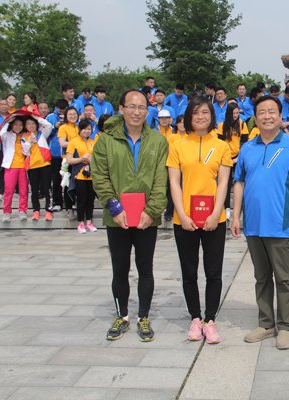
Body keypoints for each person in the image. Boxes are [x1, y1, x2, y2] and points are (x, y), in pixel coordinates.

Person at [230, 96, 289, 350]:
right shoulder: (247, 148)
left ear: (280, 115)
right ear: (255, 117)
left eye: (272, 111)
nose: (267, 116)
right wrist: (235, 215)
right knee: (261, 276)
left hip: (282, 223)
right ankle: (266, 324)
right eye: (262, 112)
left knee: (283, 278)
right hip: (253, 224)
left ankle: (285, 326)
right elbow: (239, 182)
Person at [91, 89, 168, 342]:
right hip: (118, 217)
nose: (137, 112)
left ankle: (143, 316)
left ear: (148, 110)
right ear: (121, 109)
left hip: (147, 217)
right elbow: (100, 176)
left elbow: (161, 180)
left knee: (145, 268)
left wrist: (152, 210)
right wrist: (114, 207)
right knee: (120, 268)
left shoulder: (157, 141)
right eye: (131, 107)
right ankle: (121, 315)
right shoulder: (105, 141)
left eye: (142, 107)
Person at [167, 96, 232, 344]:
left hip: (214, 219)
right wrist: (182, 214)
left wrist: (216, 213)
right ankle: (195, 318)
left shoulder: (222, 146)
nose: (200, 117)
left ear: (212, 116)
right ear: (188, 117)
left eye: (205, 112)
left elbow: (223, 182)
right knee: (189, 271)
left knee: (213, 271)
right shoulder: (178, 145)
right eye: (195, 113)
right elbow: (174, 182)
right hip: (184, 219)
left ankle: (210, 319)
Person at [217, 103, 249, 219]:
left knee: (239, 183)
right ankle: (226, 207)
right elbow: (219, 144)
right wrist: (226, 158)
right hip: (225, 158)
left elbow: (245, 143)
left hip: (238, 158)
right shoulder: (221, 125)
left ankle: (239, 208)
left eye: (237, 113)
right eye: (233, 113)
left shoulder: (242, 124)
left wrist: (238, 158)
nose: (235, 115)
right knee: (225, 183)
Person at [66, 119, 98, 233]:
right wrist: (82, 159)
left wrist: (91, 160)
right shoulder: (73, 142)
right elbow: (69, 160)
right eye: (84, 129)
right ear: (80, 129)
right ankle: (80, 223)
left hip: (92, 175)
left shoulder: (93, 142)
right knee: (81, 200)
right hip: (79, 175)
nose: (87, 131)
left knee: (90, 200)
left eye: (89, 129)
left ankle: (89, 222)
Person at [22, 115, 53, 221]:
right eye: (28, 124)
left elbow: (49, 125)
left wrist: (37, 118)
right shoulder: (23, 137)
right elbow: (25, 152)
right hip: (32, 166)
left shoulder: (42, 134)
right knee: (34, 189)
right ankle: (36, 211)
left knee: (47, 188)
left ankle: (48, 210)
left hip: (45, 164)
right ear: (25, 126)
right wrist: (29, 142)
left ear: (36, 125)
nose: (31, 126)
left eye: (33, 123)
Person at [0, 116, 28, 222]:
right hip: (10, 166)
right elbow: (1, 134)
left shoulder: (25, 135)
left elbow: (27, 150)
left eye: (20, 125)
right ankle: (6, 212)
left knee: (24, 190)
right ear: (12, 125)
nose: (18, 127)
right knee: (8, 190)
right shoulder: (7, 135)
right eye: (15, 124)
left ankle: (22, 210)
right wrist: (8, 122)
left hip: (23, 167)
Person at [46, 99, 69, 212]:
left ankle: (69, 202)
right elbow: (44, 133)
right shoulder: (50, 117)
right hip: (54, 153)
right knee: (56, 179)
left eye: (64, 111)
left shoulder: (71, 116)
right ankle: (57, 202)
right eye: (60, 111)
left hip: (67, 153)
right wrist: (55, 126)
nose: (62, 113)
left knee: (68, 178)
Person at [58, 106, 80, 220]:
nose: (73, 116)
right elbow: (62, 143)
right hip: (68, 159)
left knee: (79, 183)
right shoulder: (63, 127)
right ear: (66, 116)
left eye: (74, 114)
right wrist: (76, 142)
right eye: (70, 114)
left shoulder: (78, 126)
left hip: (79, 159)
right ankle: (69, 208)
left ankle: (77, 206)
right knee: (68, 184)